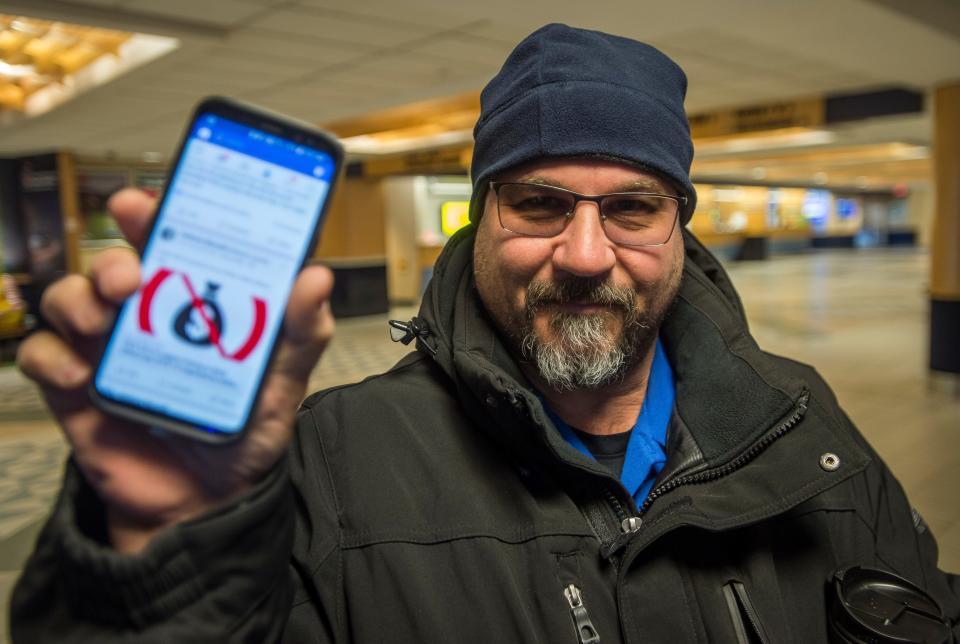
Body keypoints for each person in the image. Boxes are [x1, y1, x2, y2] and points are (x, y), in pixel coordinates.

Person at [11, 24, 959, 643]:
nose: (586, 252)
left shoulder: (806, 434)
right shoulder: (332, 465)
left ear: (679, 227)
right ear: (480, 217)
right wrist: (161, 555)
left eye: (631, 207)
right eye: (539, 203)